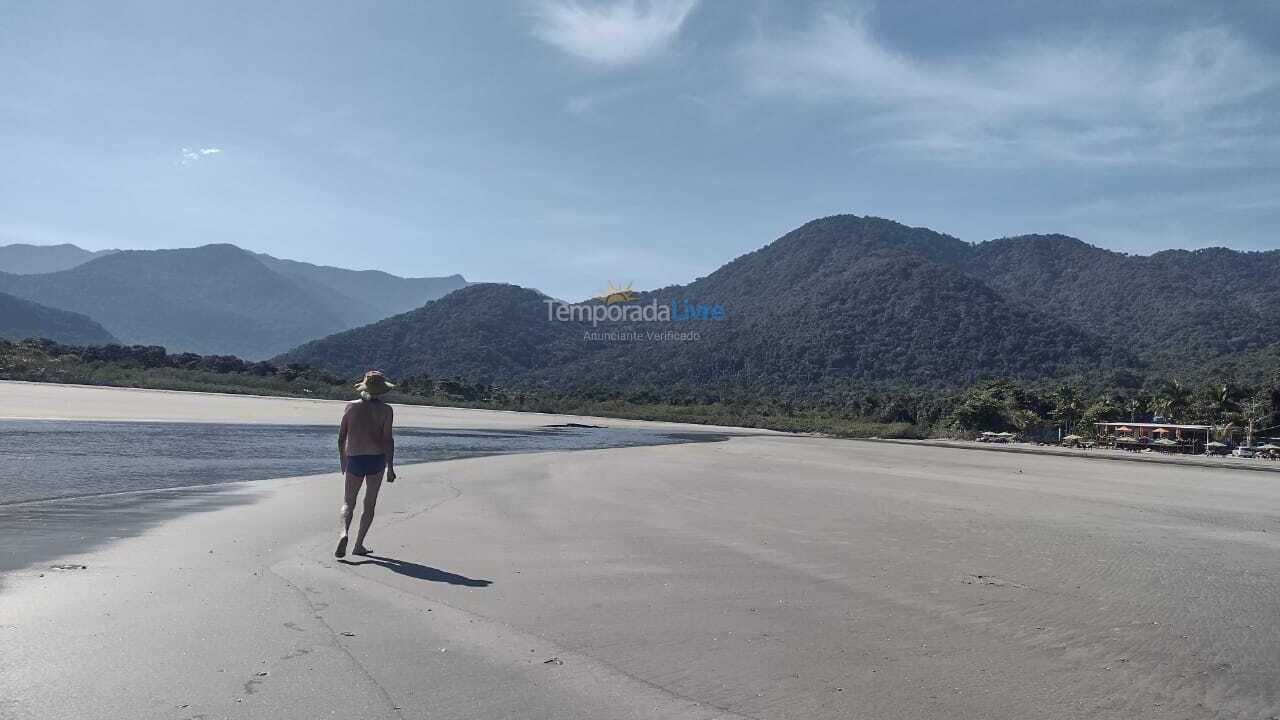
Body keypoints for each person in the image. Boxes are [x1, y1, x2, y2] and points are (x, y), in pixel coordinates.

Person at [335, 370, 397, 558]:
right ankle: (358, 545)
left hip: (355, 458)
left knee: (348, 502)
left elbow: (341, 438)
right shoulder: (386, 410)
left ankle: (344, 532)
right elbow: (388, 440)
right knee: (369, 504)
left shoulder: (351, 407)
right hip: (376, 459)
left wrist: (343, 460)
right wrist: (391, 467)